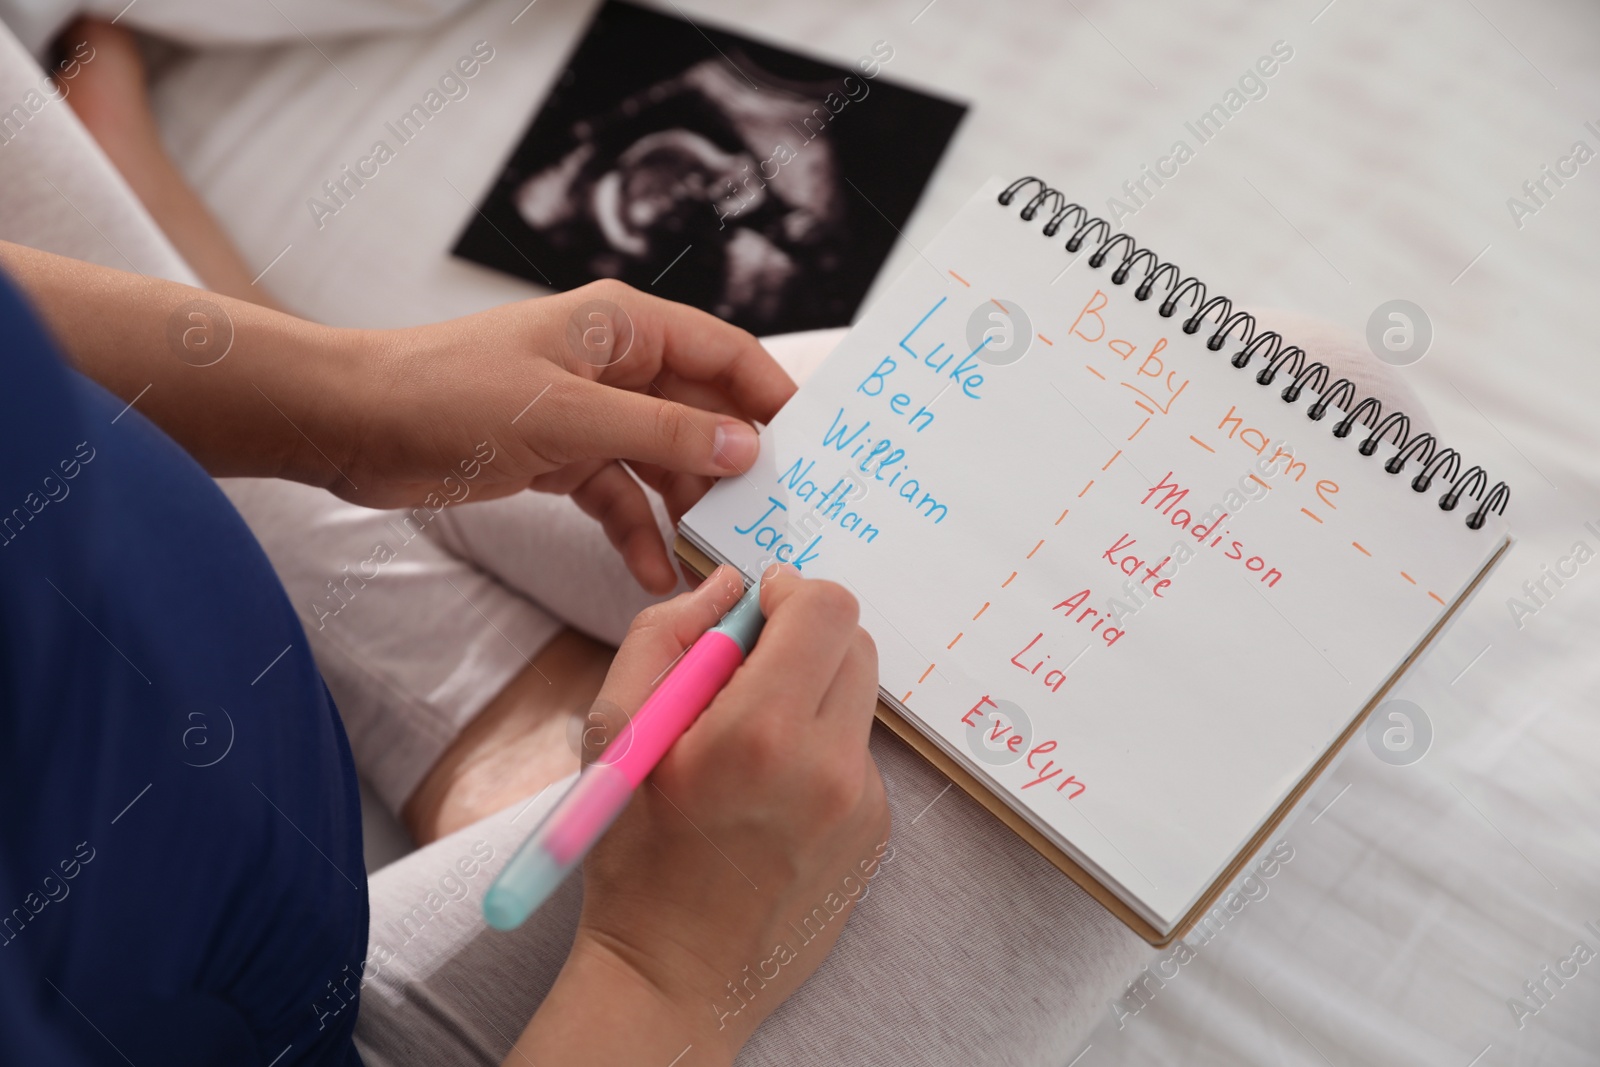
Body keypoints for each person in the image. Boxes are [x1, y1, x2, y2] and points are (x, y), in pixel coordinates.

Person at [2, 15, 1438, 1066]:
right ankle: (457, 688)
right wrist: (667, 971)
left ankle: (469, 698)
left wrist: (353, 401)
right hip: (347, 1023)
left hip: (118, 565)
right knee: (1314, 430)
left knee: (1271, 423)